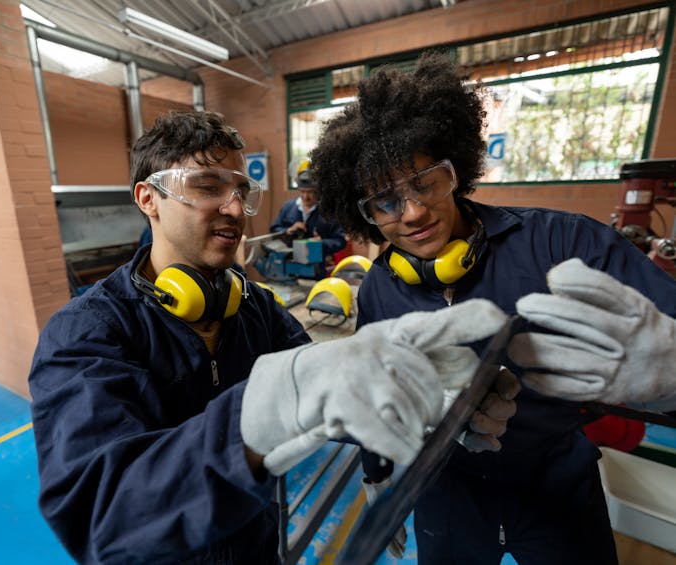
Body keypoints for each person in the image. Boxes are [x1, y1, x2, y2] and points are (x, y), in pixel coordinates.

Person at [28, 110, 517, 564]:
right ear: (147, 198)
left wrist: (434, 405)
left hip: (259, 546)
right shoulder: (86, 333)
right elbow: (100, 512)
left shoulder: (255, 308)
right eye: (207, 186)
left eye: (242, 191)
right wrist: (267, 405)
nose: (235, 209)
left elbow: (335, 394)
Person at [311, 52, 676, 564]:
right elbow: (378, 390)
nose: (412, 212)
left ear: (455, 170)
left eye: (424, 182)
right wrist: (379, 474)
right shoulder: (376, 290)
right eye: (385, 202)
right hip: (448, 495)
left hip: (557, 484)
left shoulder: (562, 243)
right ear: (366, 215)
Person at [270, 160, 347, 260]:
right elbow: (274, 230)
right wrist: (288, 230)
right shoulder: (288, 207)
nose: (305, 197)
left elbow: (341, 241)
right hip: (290, 264)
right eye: (302, 192)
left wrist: (322, 243)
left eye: (310, 192)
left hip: (317, 268)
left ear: (318, 191)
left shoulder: (327, 212)